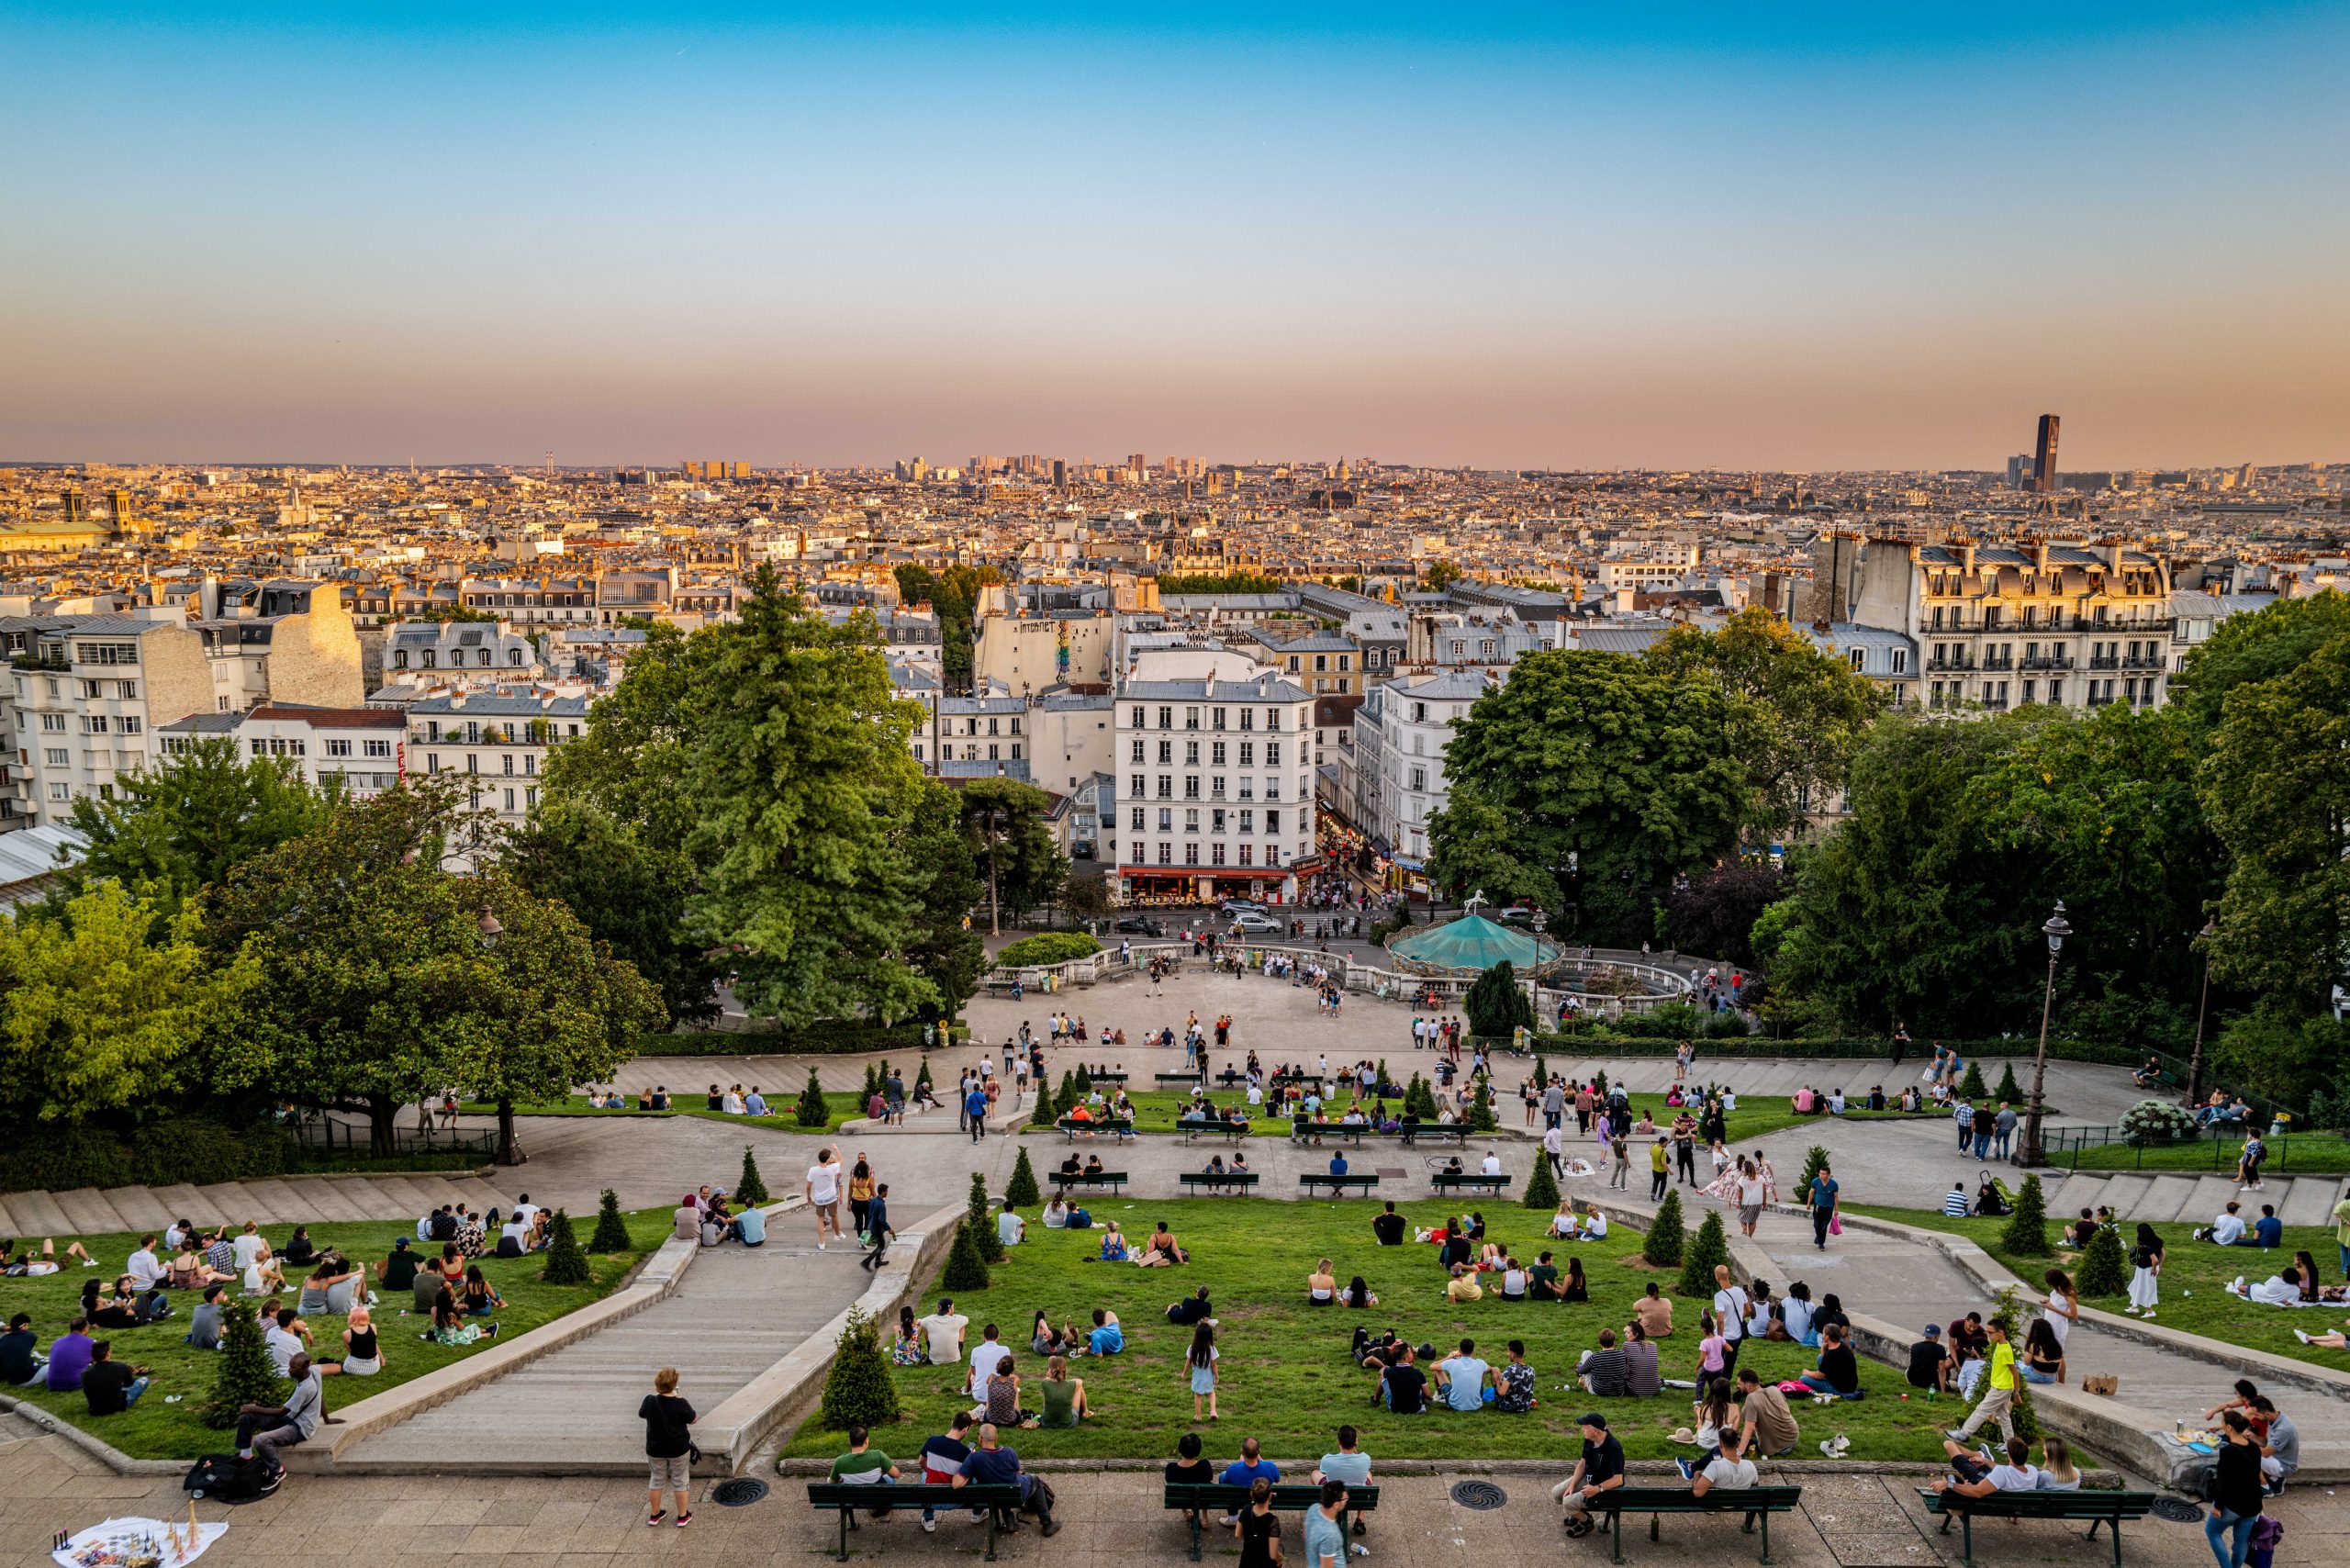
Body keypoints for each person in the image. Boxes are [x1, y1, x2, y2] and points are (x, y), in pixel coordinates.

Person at [234, 1350, 324, 1475]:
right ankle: (246, 1455)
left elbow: (280, 1413)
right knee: (246, 1417)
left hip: (300, 1429)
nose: (289, 1370)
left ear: (304, 1368)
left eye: (293, 1368)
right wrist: (327, 1419)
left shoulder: (305, 1389)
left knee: (261, 1440)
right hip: (290, 1418)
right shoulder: (314, 1371)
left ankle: (277, 1471)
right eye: (290, 1366)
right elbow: (320, 1395)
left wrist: (252, 1408)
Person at [2205, 1410, 2264, 1568]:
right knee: (2242, 1540)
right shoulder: (2254, 1448)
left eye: (2223, 1424)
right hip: (2252, 1504)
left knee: (2212, 1532)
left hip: (2232, 1504)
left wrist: (2218, 1505)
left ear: (2229, 1427)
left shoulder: (2228, 1451)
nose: (2222, 1426)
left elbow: (2224, 1482)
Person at [1552, 1412, 1626, 1538]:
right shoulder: (1590, 1440)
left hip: (1604, 1489)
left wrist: (1597, 1489)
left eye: (1584, 1427)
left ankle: (1586, 1522)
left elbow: (1618, 1480)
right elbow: (1583, 1462)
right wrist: (1572, 1485)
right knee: (1557, 1493)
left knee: (1568, 1503)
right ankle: (1579, 1513)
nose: (1582, 1429)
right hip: (1589, 1479)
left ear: (1595, 1431)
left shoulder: (1613, 1448)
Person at [1949, 1321, 2017, 1442]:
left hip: (2001, 1388)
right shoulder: (2000, 1346)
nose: (1988, 1335)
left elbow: (2015, 1373)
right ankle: (2009, 1443)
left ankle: (1964, 1433)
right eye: (1987, 1332)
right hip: (2000, 1386)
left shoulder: (2005, 1350)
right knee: (2003, 1416)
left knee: (1982, 1410)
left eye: (1990, 1333)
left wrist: (2016, 1393)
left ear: (2000, 1333)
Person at [1931, 1434, 2041, 1498]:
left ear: (2009, 1456)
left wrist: (1948, 1484)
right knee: (1983, 1464)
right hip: (2008, 1502)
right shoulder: (2032, 1471)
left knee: (1949, 1444)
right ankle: (1982, 1456)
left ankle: (1980, 1454)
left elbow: (1978, 1492)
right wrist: (1986, 1461)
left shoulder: (2001, 1473)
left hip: (1979, 1481)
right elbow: (2009, 1471)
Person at [1735, 1367, 1799, 1458]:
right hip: (1793, 1438)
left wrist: (1738, 1453)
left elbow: (1749, 1429)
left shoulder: (1751, 1398)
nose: (1738, 1387)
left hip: (1777, 1448)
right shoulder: (1774, 1389)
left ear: (1748, 1385)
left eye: (1739, 1384)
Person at [80, 1340, 151, 1416]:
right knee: (144, 1380)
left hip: (95, 1410)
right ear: (108, 1354)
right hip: (117, 1406)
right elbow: (129, 1384)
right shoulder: (120, 1366)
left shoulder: (84, 1373)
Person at [1797, 1324, 1861, 1397]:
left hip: (1840, 1389)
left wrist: (1807, 1372)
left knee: (1803, 1379)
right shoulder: (1842, 1346)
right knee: (1820, 1357)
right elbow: (1825, 1362)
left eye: (1823, 1333)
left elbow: (1819, 1376)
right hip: (1851, 1385)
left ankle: (1828, 1388)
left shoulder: (1830, 1355)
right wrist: (1823, 1349)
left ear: (1827, 1337)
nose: (1822, 1334)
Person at [320, 1306, 383, 1377]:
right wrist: (382, 1359)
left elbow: (351, 1351)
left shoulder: (347, 1334)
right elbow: (374, 1345)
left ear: (353, 1317)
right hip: (374, 1367)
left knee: (336, 1364)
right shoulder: (373, 1327)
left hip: (354, 1368)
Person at [1438, 1338, 1491, 1410]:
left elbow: (1432, 1366)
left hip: (1454, 1405)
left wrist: (1448, 1357)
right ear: (1473, 1351)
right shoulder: (1480, 1363)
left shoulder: (1452, 1362)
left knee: (1437, 1370)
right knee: (1483, 1371)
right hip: (1477, 1405)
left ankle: (1440, 1395)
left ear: (1459, 1351)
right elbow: (1491, 1369)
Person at [807, 1146, 845, 1249]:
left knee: (820, 1219)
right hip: (831, 1198)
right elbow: (841, 1160)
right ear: (828, 1159)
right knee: (834, 1216)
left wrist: (808, 1197)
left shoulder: (813, 1170)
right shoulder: (832, 1168)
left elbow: (809, 1186)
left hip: (819, 1199)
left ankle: (822, 1243)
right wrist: (836, 1149)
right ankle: (837, 1234)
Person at [1305, 1480, 1348, 1568]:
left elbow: (1305, 1535)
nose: (1347, 1497)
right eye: (1345, 1498)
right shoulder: (1330, 1534)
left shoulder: (1313, 1508)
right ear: (1336, 1505)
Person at [1037, 1354, 1088, 1428]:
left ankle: (1085, 1411)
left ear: (1050, 1370)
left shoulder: (1044, 1383)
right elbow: (1080, 1381)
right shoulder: (1071, 1384)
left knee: (1047, 1401)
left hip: (1046, 1423)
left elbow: (1048, 1377)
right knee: (1079, 1388)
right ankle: (1085, 1411)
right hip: (1067, 1424)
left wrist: (1051, 1363)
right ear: (1065, 1369)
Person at [1377, 1343, 1427, 1414]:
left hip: (1395, 1409)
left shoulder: (1390, 1371)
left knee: (1383, 1377)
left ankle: (1375, 1400)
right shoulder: (1417, 1373)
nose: (1412, 1354)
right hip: (1416, 1408)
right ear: (1406, 1358)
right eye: (1410, 1353)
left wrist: (1385, 1369)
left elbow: (1381, 1371)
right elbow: (1428, 1394)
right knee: (1420, 1387)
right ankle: (1421, 1404)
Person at [2128, 1224, 2165, 1319]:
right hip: (2148, 1268)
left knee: (2145, 1288)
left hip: (2146, 1269)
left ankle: (2150, 1311)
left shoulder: (2144, 1245)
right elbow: (2163, 1253)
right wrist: (2159, 1267)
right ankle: (2134, 1306)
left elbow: (2155, 1259)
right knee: (2138, 1286)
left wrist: (2154, 1268)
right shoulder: (2158, 1240)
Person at [919, 1297, 968, 1366]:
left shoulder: (929, 1320)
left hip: (935, 1360)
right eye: (953, 1307)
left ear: (939, 1308)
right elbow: (966, 1319)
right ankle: (959, 1348)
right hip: (954, 1358)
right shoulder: (957, 1320)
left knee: (926, 1327)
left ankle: (929, 1348)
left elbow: (920, 1322)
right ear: (950, 1309)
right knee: (962, 1326)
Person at [1186, 1322, 1220, 1419]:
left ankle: (1198, 1415)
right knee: (1211, 1393)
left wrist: (1184, 1373)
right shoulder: (1212, 1349)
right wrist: (1217, 1377)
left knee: (1198, 1395)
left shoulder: (1192, 1348)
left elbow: (1188, 1363)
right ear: (1210, 1336)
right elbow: (1214, 1365)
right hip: (1208, 1377)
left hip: (1197, 1377)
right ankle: (1213, 1410)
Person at [1907, 1323, 1952, 1394]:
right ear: (1936, 1336)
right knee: (1954, 1385)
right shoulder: (1940, 1349)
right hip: (1928, 1381)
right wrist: (1943, 1391)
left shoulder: (1914, 1346)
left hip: (1912, 1378)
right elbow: (1941, 1370)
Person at [862, 1182, 896, 1272]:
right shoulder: (881, 1205)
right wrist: (889, 1229)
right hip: (877, 1228)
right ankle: (867, 1261)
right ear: (883, 1192)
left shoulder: (873, 1200)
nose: (887, 1193)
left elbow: (869, 1213)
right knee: (881, 1246)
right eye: (886, 1191)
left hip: (871, 1225)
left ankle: (877, 1262)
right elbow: (882, 1220)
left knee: (880, 1244)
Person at [1807, 1160, 1840, 1249]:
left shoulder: (1834, 1184)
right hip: (1818, 1207)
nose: (1821, 1176)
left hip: (1828, 1208)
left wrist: (1836, 1209)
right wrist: (1808, 1203)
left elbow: (1836, 1197)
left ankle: (1821, 1243)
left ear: (1828, 1175)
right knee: (1816, 1225)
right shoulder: (1815, 1181)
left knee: (1823, 1226)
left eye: (1824, 1174)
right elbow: (1811, 1192)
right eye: (1820, 1173)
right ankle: (1818, 1237)